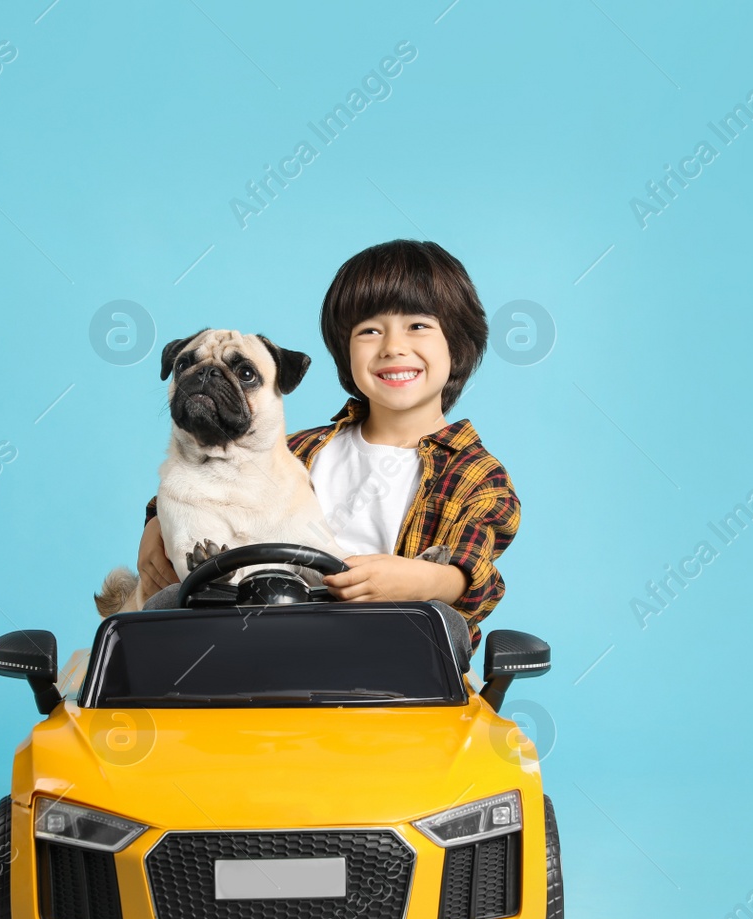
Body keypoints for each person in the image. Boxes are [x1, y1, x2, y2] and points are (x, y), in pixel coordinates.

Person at [135, 239, 521, 653]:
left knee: (443, 624)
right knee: (161, 608)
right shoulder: (295, 451)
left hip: (388, 660)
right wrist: (157, 526)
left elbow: (476, 569)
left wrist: (424, 580)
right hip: (254, 642)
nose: (393, 346)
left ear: (457, 343)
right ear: (344, 349)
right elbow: (204, 482)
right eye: (370, 330)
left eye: (418, 325)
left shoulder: (475, 474)